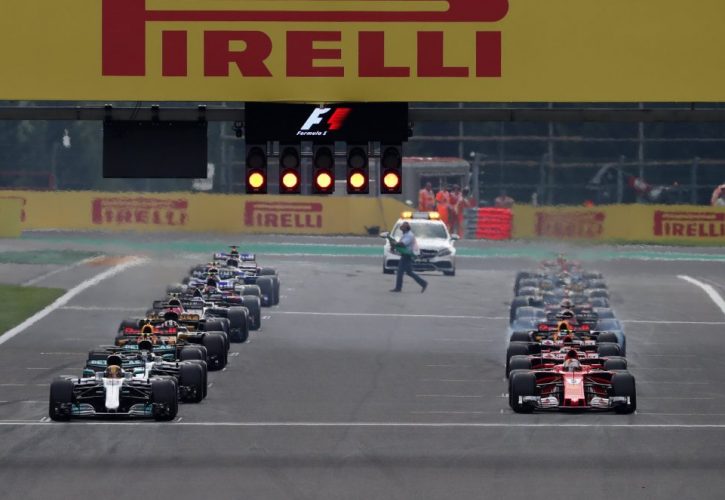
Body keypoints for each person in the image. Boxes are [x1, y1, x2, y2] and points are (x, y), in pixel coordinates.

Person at [390, 221, 428, 293]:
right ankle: (423, 283)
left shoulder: (409, 235)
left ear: (406, 228)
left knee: (400, 272)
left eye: (403, 227)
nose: (401, 227)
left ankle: (398, 288)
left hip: (407, 255)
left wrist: (395, 244)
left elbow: (402, 244)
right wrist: (394, 245)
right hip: (406, 254)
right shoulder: (406, 234)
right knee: (409, 272)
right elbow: (400, 244)